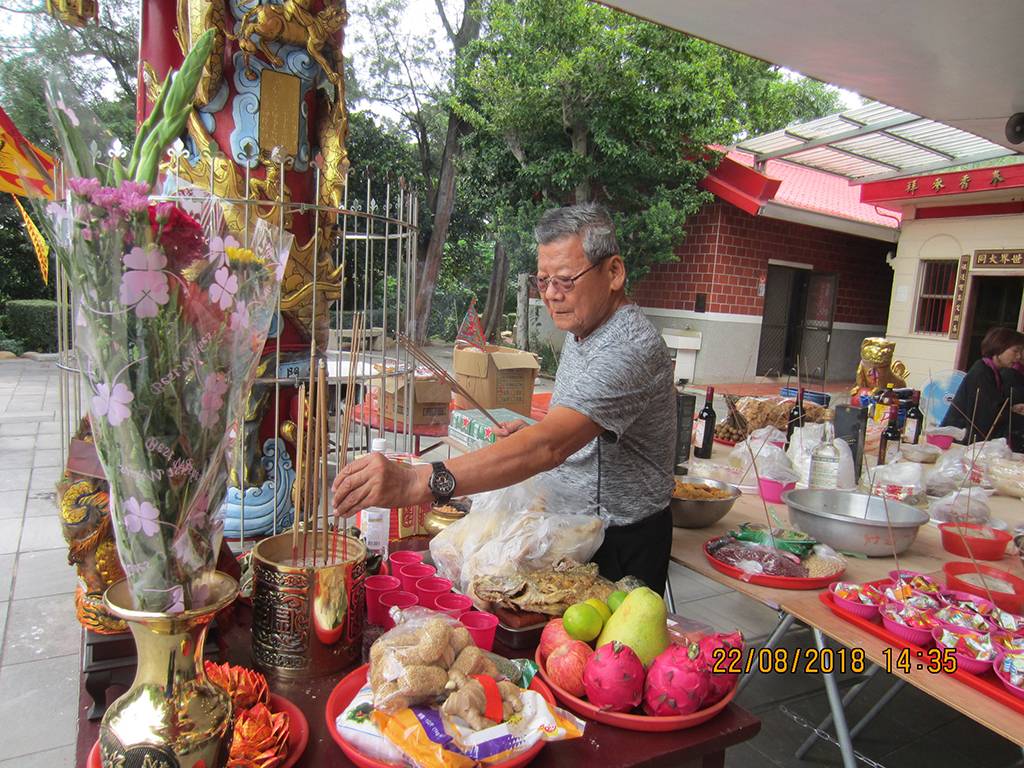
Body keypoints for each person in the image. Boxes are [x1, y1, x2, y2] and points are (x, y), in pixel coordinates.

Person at [331, 202, 677, 593]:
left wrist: (417, 480)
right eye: (543, 281)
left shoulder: (628, 347)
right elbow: (575, 430)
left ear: (613, 273)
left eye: (565, 280)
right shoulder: (584, 326)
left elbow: (548, 447)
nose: (552, 295)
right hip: (575, 529)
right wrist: (533, 432)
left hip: (620, 539)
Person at [941, 326, 1024, 443]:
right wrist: (1013, 414)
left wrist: (1011, 408)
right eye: (1015, 351)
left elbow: (993, 404)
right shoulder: (981, 373)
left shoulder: (993, 372)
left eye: (1020, 352)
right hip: (958, 439)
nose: (1019, 356)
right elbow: (986, 414)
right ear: (999, 347)